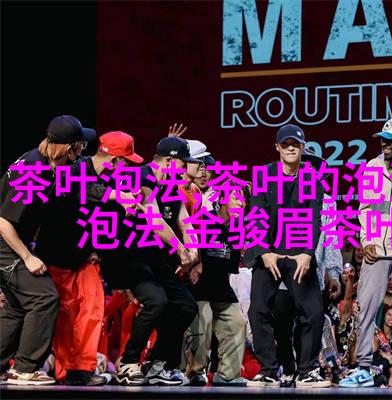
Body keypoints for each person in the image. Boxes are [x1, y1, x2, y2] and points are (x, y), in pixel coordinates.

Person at [36, 131, 143, 386]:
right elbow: (81, 189)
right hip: (58, 255)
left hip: (85, 257)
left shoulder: (110, 181)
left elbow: (104, 220)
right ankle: (65, 370)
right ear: (115, 160)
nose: (128, 168)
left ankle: (81, 368)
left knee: (94, 309)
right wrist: (116, 196)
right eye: (126, 162)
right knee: (67, 314)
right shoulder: (75, 169)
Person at [0, 115, 95, 385]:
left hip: (12, 241)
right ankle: (24, 369)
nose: (83, 150)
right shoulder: (34, 171)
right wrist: (27, 256)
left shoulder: (49, 164)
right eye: (81, 145)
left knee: (17, 306)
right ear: (69, 148)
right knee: (44, 297)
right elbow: (3, 221)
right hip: (5, 243)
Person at [340, 118, 392, 388]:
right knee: (365, 308)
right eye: (382, 139)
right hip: (376, 251)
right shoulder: (372, 168)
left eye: (390, 139)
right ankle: (363, 367)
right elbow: (366, 209)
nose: (384, 143)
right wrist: (366, 241)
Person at [244, 124, 329, 388]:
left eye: (295, 144)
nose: (290, 148)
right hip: (268, 250)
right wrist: (263, 252)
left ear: (303, 147)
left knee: (313, 311)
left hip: (298, 251)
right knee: (258, 309)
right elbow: (256, 214)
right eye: (285, 144)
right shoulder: (263, 175)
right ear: (277, 147)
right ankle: (269, 370)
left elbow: (313, 218)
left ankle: (307, 370)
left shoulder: (311, 179)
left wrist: (307, 253)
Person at [114, 136, 199, 386]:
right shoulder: (141, 177)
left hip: (155, 259)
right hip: (129, 255)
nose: (185, 168)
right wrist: (181, 249)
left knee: (186, 306)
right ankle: (128, 362)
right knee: (157, 301)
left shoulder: (171, 184)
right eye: (182, 163)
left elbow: (184, 220)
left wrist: (193, 249)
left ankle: (157, 363)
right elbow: (154, 219)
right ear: (170, 161)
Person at [272, 148, 343, 387]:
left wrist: (334, 273)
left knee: (310, 322)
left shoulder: (327, 201)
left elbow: (331, 239)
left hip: (311, 273)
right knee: (281, 324)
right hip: (282, 273)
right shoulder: (279, 195)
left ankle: (306, 369)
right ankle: (288, 368)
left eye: (313, 167)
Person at [185, 185, 250, 387]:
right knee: (201, 326)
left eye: (244, 200)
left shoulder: (238, 229)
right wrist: (199, 264)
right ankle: (195, 372)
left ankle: (228, 374)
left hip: (221, 286)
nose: (241, 203)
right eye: (236, 198)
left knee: (237, 323)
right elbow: (192, 246)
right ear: (223, 199)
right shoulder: (204, 220)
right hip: (200, 287)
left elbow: (231, 265)